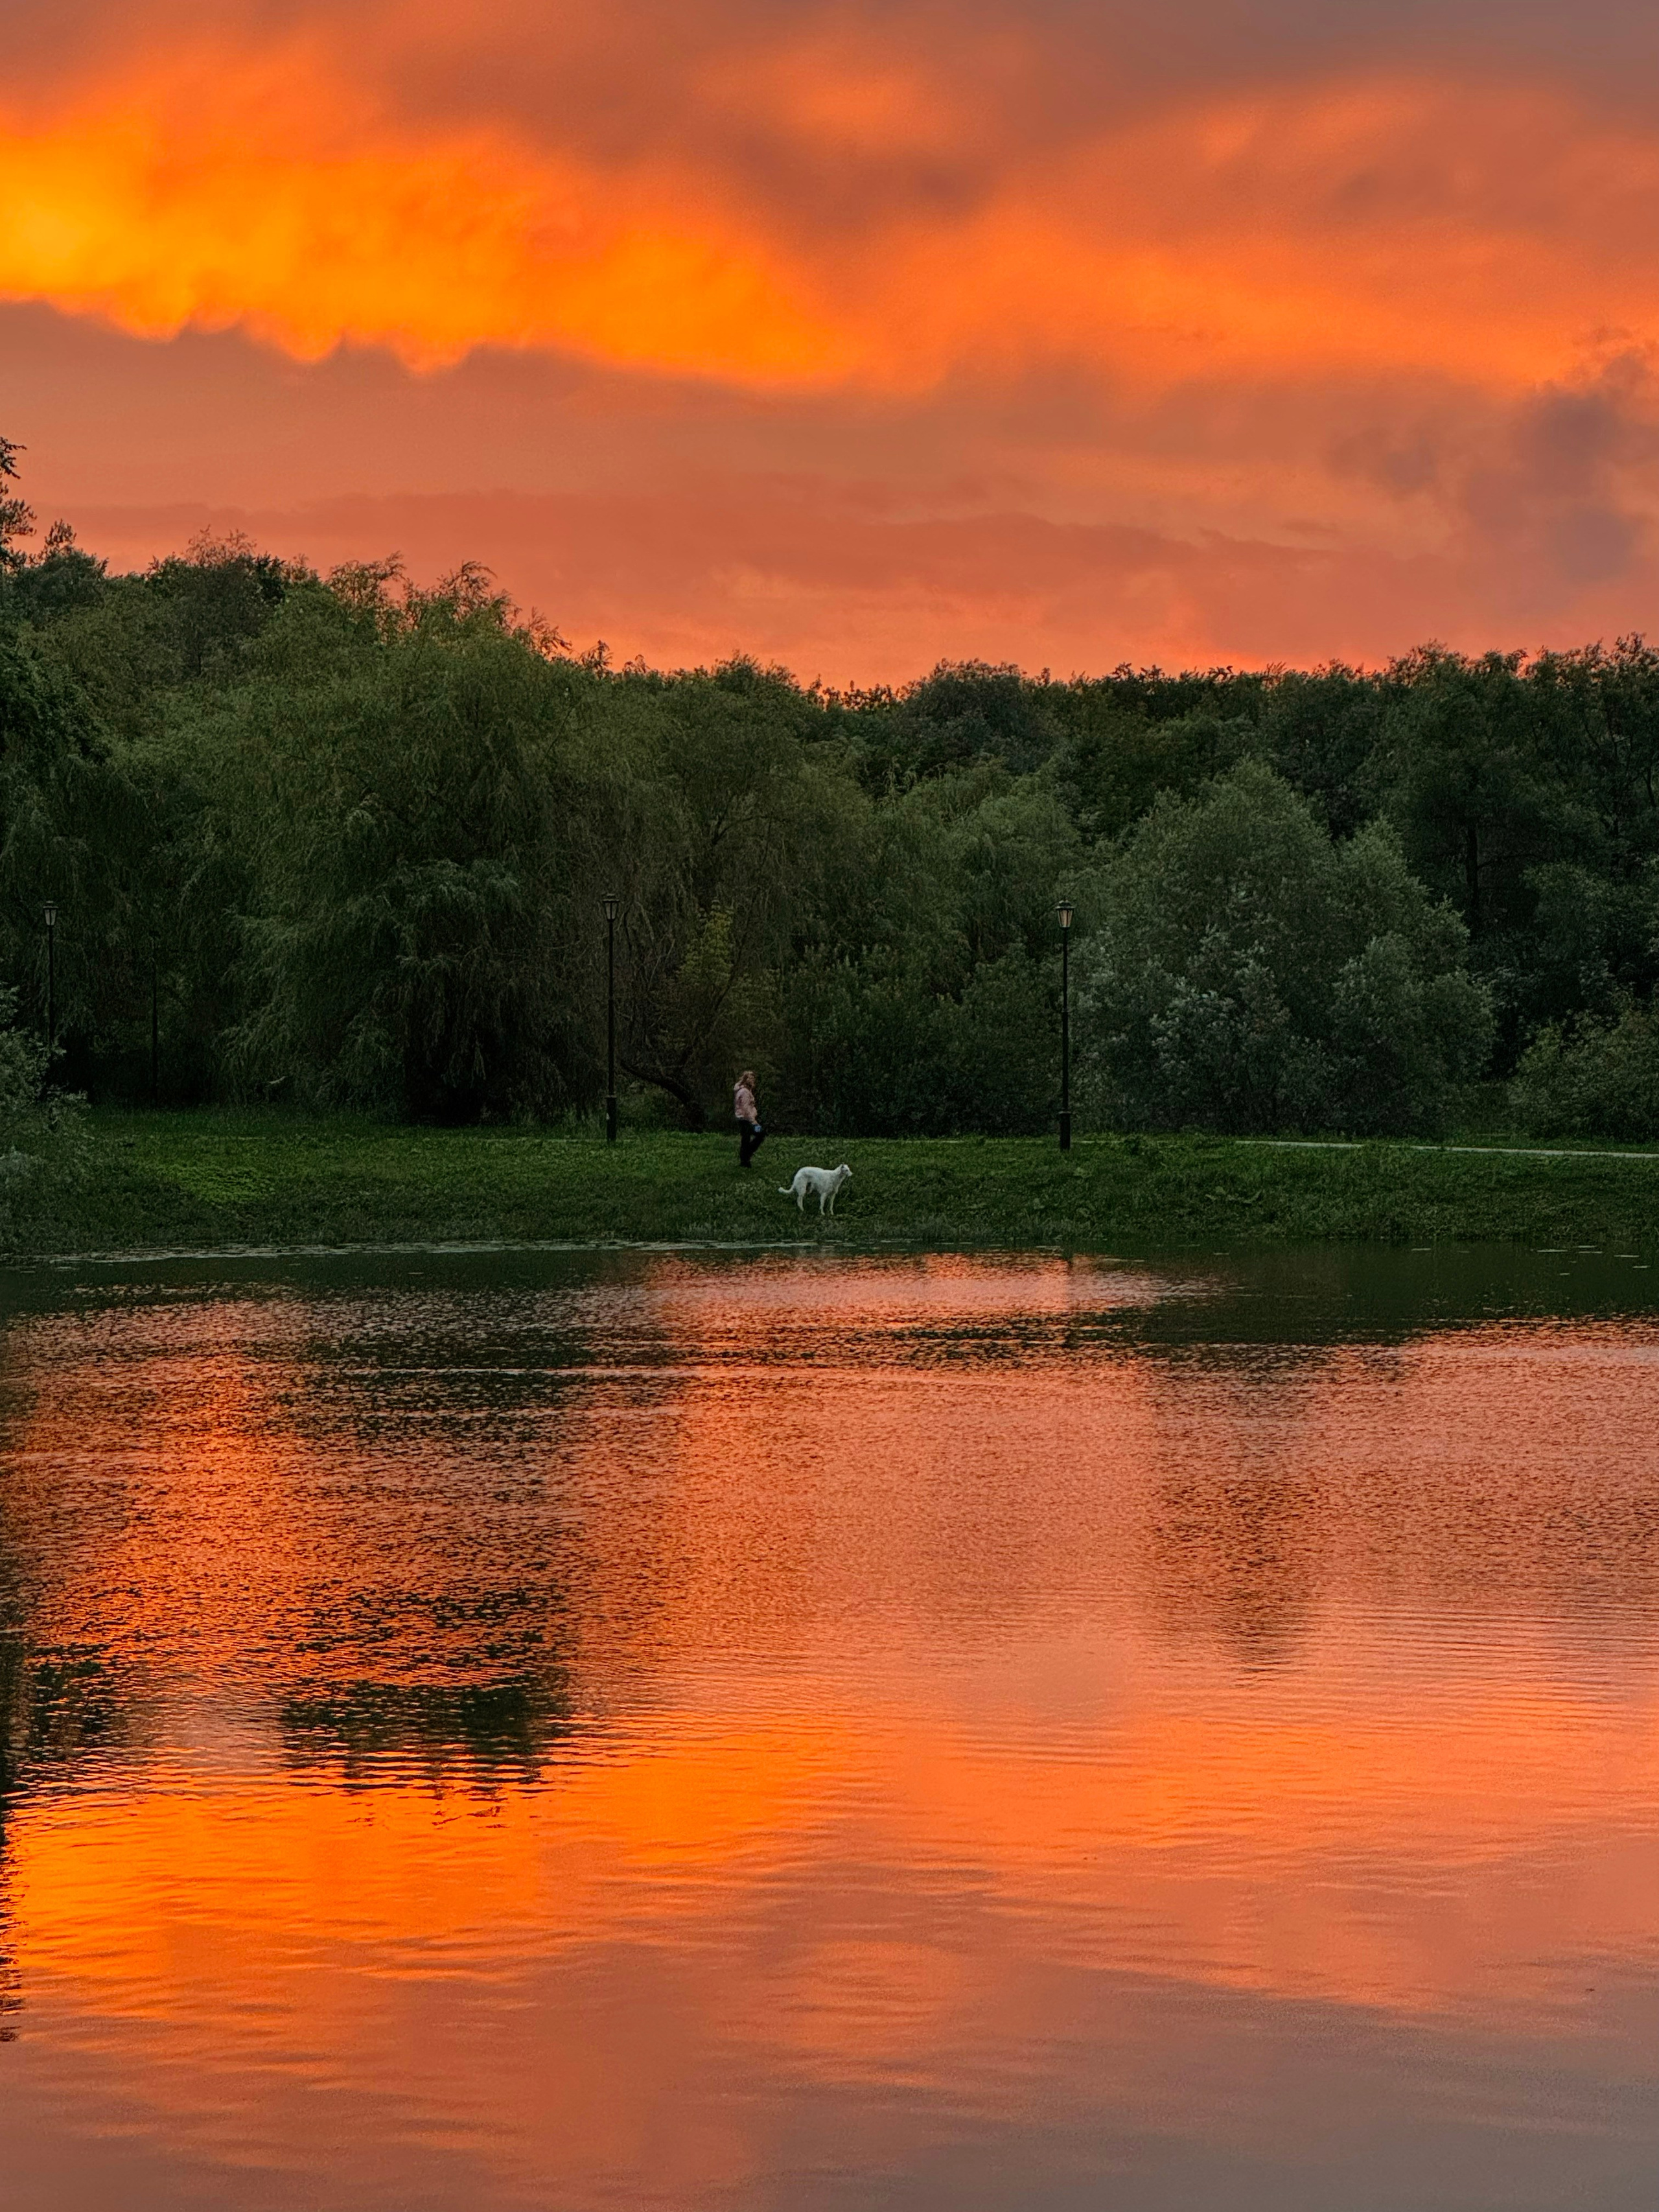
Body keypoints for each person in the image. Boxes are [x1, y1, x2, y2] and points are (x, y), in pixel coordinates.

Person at [734, 1069, 766, 1168]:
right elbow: (746, 1108)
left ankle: (745, 1160)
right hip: (746, 1120)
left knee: (746, 1138)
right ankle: (746, 1158)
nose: (753, 1081)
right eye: (751, 1079)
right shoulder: (744, 1092)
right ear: (747, 1080)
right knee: (760, 1133)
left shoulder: (746, 1091)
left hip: (745, 1119)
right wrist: (754, 1121)